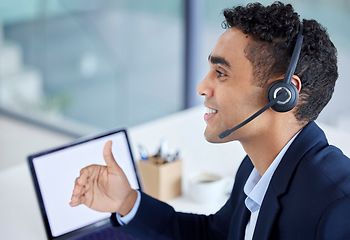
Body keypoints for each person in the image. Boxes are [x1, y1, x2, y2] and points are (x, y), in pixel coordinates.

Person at [70, 2, 350, 239]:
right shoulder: (256, 166)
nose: (202, 87)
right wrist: (127, 201)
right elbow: (216, 234)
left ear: (282, 94)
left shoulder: (338, 206)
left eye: (221, 73)